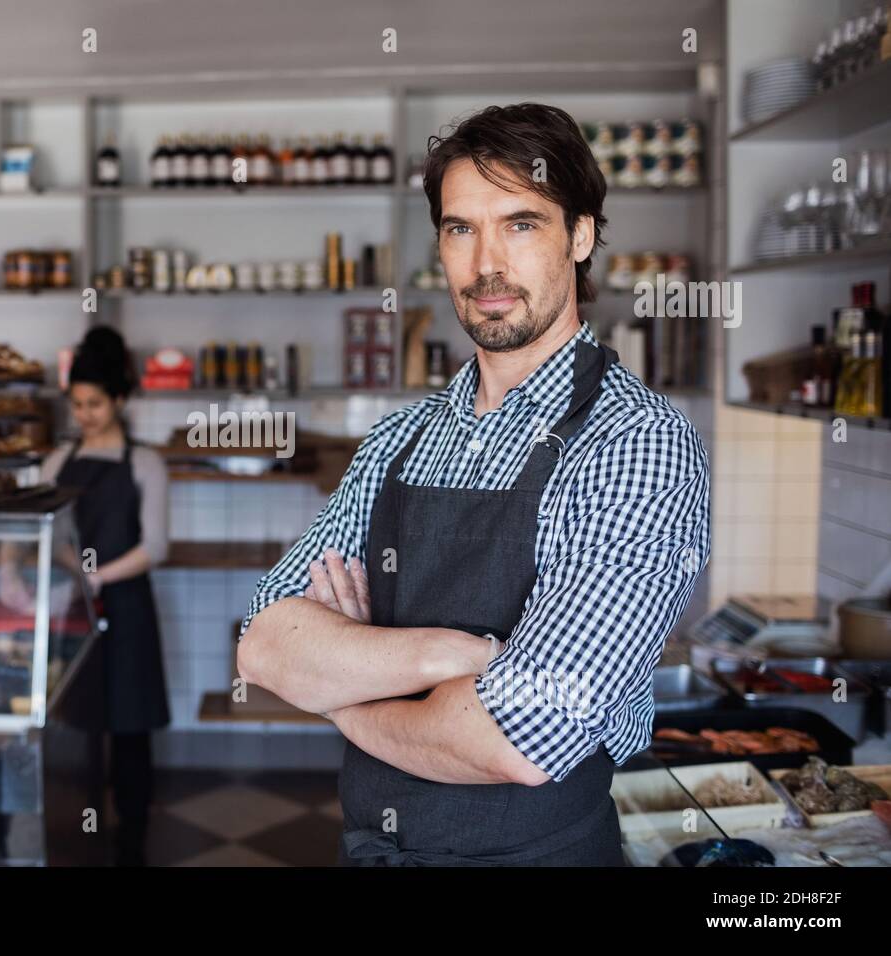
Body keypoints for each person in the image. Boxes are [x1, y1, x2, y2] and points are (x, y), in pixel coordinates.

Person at [238, 103, 711, 866]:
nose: (487, 262)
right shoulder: (401, 438)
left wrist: (343, 687)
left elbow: (520, 740)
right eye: (461, 228)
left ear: (580, 235)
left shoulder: (638, 442)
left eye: (520, 224)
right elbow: (265, 647)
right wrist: (449, 657)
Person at [0, 326, 170, 866]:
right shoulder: (58, 460)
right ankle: (77, 832)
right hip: (72, 610)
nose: (85, 415)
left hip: (126, 606)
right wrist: (9, 566)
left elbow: (156, 546)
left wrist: (99, 576)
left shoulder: (145, 463)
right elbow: (27, 521)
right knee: (76, 722)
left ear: (119, 399)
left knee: (129, 726)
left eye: (95, 403)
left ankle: (132, 839)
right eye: (77, 404)